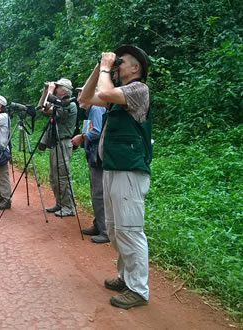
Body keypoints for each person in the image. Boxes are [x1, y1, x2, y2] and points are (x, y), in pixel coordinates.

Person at [80, 45, 152, 309]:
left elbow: (105, 92)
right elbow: (86, 98)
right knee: (114, 228)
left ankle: (138, 289)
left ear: (136, 68)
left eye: (122, 63)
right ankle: (126, 277)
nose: (118, 65)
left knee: (130, 230)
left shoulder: (138, 89)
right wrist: (99, 67)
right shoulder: (117, 95)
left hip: (129, 170)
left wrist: (108, 67)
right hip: (113, 167)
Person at [71, 91, 109, 243]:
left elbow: (97, 132)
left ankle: (105, 231)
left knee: (99, 193)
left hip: (98, 157)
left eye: (81, 94)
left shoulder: (96, 109)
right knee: (96, 191)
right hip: (93, 156)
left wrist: (81, 137)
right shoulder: (89, 111)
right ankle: (98, 224)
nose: (78, 97)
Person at [38, 78, 78, 217]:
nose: (56, 88)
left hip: (64, 142)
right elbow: (42, 107)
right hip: (55, 142)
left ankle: (69, 207)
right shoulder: (59, 102)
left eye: (58, 86)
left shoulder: (69, 104)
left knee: (63, 176)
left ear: (65, 90)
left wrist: (49, 91)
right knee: (53, 176)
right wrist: (45, 91)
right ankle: (59, 203)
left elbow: (48, 109)